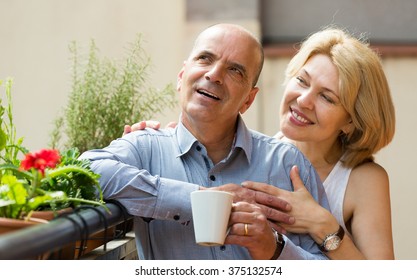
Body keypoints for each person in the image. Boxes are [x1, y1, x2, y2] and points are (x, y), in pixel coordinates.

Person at [127, 27, 396, 260]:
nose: (303, 100)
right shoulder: (260, 156)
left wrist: (324, 225)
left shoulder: (362, 180)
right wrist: (156, 143)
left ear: (351, 120)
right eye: (302, 81)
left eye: (327, 97)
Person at [80, 23, 330, 260]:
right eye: (205, 58)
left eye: (235, 70)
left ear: (248, 100)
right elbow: (86, 170)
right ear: (181, 76)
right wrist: (196, 199)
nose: (215, 74)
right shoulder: (145, 149)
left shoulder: (287, 164)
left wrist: (274, 248)